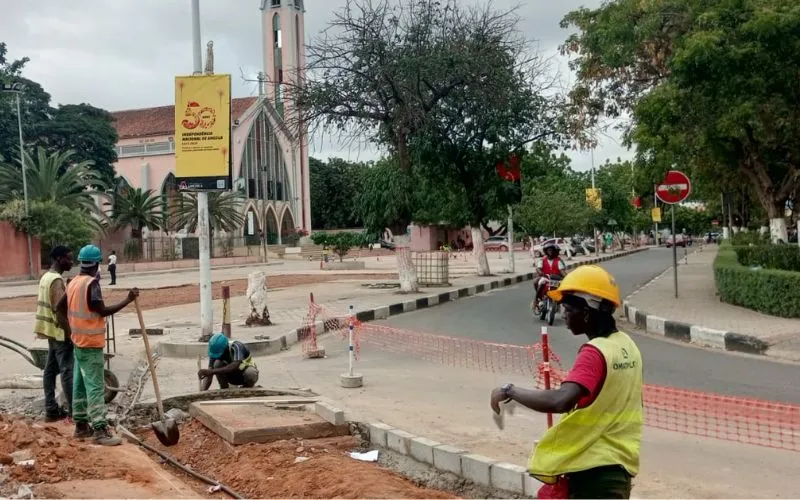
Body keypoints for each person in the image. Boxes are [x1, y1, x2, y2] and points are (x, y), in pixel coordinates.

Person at [491, 265, 643, 499]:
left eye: (568, 309)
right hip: (618, 469)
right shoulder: (627, 345)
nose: (563, 315)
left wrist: (509, 390)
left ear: (587, 312)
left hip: (592, 471)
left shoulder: (594, 353)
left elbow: (561, 400)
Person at [57, 244, 139, 446]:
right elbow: (101, 310)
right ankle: (100, 429)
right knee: (94, 385)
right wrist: (127, 300)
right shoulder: (91, 284)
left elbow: (59, 309)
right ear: (96, 264)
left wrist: (70, 332)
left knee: (79, 385)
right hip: (91, 343)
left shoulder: (74, 282)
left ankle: (81, 426)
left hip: (78, 342)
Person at [35, 246, 74, 422]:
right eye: (68, 258)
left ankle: (51, 409)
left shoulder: (46, 277)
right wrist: (70, 334)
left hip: (48, 331)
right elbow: (59, 311)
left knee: (50, 370)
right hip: (59, 332)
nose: (72, 262)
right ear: (59, 259)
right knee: (67, 370)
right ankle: (76, 411)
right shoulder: (56, 280)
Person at [532, 243, 566, 313]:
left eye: (552, 250)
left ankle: (566, 309)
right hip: (545, 278)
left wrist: (567, 277)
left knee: (566, 290)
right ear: (546, 251)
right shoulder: (542, 260)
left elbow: (562, 271)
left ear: (555, 251)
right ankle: (537, 300)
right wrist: (540, 272)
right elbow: (538, 268)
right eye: (549, 250)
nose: (551, 252)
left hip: (556, 279)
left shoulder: (559, 261)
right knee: (537, 282)